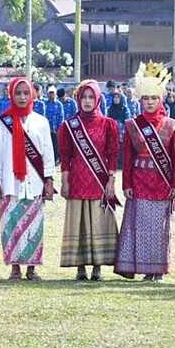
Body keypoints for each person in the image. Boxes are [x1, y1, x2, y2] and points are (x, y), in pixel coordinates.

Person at [115, 63, 175, 282]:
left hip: (162, 183)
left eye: (154, 98)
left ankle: (158, 269)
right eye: (146, 98)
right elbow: (127, 158)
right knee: (141, 228)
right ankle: (141, 267)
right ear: (140, 100)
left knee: (159, 229)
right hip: (139, 181)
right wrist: (126, 184)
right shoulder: (132, 125)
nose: (150, 102)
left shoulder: (173, 126)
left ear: (161, 99)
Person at [0, 77, 55, 281]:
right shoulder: (3, 122)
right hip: (10, 183)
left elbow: (47, 153)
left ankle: (32, 269)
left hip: (34, 184)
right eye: (18, 93)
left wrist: (49, 181)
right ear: (11, 95)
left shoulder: (41, 122)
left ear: (33, 95)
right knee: (11, 227)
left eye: (26, 93)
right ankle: (15, 268)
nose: (22, 97)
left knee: (34, 227)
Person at [58, 79, 119, 282]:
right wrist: (64, 180)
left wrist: (111, 180)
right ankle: (80, 267)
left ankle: (98, 267)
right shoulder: (69, 126)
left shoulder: (109, 124)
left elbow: (113, 154)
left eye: (91, 97)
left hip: (99, 181)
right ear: (77, 99)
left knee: (98, 223)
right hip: (77, 179)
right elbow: (65, 156)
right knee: (80, 223)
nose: (87, 101)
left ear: (98, 99)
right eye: (83, 97)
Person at [44, 86, 65, 165]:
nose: (51, 95)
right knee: (47, 145)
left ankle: (56, 159)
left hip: (56, 128)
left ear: (55, 94)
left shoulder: (59, 104)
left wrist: (59, 128)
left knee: (56, 145)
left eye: (52, 93)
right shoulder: (45, 103)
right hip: (46, 129)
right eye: (50, 93)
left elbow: (61, 116)